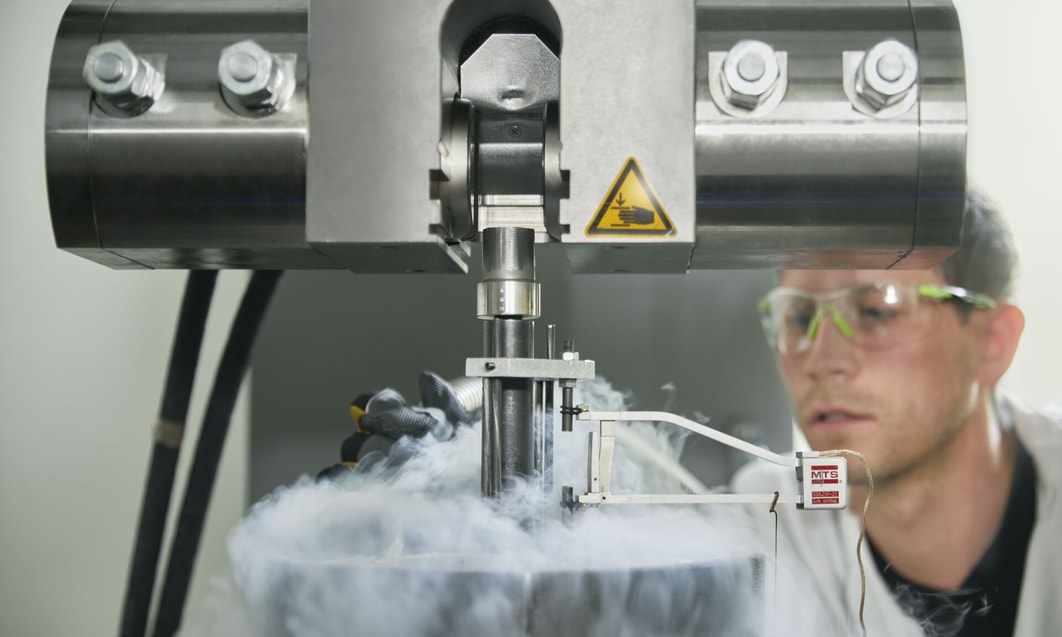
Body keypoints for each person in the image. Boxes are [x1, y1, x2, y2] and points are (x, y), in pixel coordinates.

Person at [734, 190, 1062, 636]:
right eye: (799, 317)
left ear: (991, 343)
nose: (821, 360)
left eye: (875, 312)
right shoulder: (769, 521)